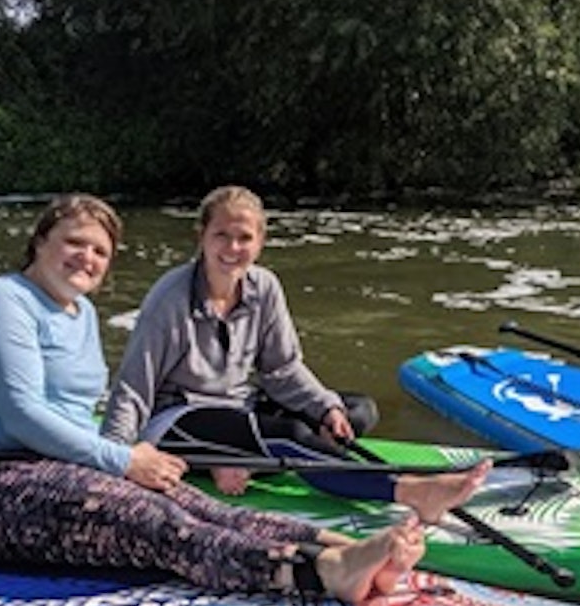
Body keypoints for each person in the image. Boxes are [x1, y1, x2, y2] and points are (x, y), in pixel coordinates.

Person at [0, 193, 463, 604]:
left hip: (68, 467)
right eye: (75, 242)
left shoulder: (81, 312)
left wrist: (120, 462)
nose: (87, 258)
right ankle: (320, 571)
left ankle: (346, 549)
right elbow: (22, 414)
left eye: (100, 250)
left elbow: (74, 415)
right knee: (161, 523)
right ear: (41, 241)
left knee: (209, 508)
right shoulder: (0, 301)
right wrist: (124, 458)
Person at [102, 184, 490, 515]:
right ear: (201, 237)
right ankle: (412, 491)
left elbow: (283, 369)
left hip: (239, 405)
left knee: (354, 412)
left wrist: (325, 406)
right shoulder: (170, 298)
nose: (232, 247)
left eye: (244, 238)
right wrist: (118, 459)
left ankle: (239, 461)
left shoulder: (264, 287)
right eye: (221, 235)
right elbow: (135, 387)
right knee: (290, 435)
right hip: (177, 417)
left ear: (260, 242)